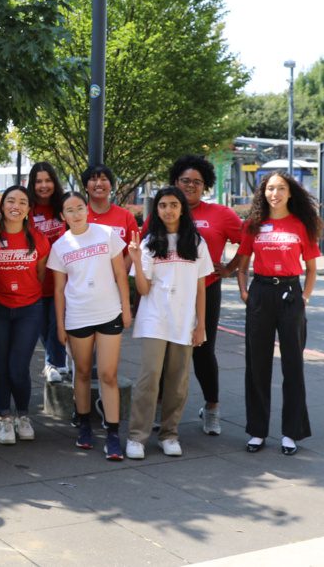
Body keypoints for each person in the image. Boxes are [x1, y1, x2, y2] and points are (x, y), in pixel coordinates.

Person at [125, 187, 213, 460]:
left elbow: (201, 289)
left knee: (178, 381)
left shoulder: (196, 243)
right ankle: (137, 436)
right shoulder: (150, 242)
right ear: (157, 210)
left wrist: (201, 325)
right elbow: (142, 289)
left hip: (183, 320)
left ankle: (169, 434)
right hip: (155, 319)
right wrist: (137, 262)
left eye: (173, 204)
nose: (168, 210)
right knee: (149, 377)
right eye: (162, 205)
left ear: (182, 208)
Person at [237, 172, 320, 456]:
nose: (275, 193)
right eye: (270, 188)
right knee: (257, 364)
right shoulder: (253, 225)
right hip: (260, 294)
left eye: (281, 188)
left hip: (290, 294)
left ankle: (291, 432)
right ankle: (257, 431)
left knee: (293, 365)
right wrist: (244, 292)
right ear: (264, 193)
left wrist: (305, 297)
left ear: (290, 193)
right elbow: (242, 263)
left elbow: (311, 269)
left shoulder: (301, 225)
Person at [48, 192, 131, 461]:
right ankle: (84, 425)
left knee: (108, 375)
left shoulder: (106, 234)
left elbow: (121, 274)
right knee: (82, 373)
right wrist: (60, 326)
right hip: (78, 317)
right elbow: (59, 290)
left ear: (87, 209)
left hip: (109, 313)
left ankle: (113, 434)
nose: (76, 214)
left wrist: (126, 309)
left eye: (80, 208)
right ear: (63, 216)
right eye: (69, 210)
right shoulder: (60, 246)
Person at [168, 155, 243, 436]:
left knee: (203, 352)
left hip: (207, 289)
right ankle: (163, 410)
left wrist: (231, 269)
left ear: (205, 185)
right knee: (165, 351)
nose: (190, 186)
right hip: (169, 292)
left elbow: (248, 240)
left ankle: (212, 408)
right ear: (175, 181)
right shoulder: (165, 208)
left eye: (197, 182)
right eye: (185, 180)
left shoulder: (220, 214)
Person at [0, 186, 50, 445]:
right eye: (11, 201)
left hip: (29, 309)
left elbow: (40, 275)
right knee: (1, 365)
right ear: (2, 206)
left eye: (22, 202)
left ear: (28, 209)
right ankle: (5, 419)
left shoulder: (39, 239)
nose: (16, 205)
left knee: (18, 367)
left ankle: (23, 415)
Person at [28, 162, 68, 383]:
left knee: (56, 321)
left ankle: (55, 363)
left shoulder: (63, 207)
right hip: (36, 278)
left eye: (48, 180)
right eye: (39, 181)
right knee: (43, 324)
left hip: (61, 278)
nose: (44, 186)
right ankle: (55, 362)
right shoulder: (28, 210)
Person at [82, 164, 139, 265]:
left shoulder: (126, 216)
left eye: (104, 179)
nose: (99, 183)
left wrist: (118, 275)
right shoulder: (78, 217)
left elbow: (133, 250)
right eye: (93, 179)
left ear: (111, 186)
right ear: (86, 187)